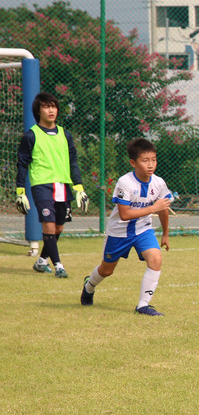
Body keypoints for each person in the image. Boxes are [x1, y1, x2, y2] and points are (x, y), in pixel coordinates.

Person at [80, 138, 172, 316]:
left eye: (154, 159)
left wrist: (166, 233)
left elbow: (163, 209)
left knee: (156, 259)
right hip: (119, 232)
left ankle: (143, 306)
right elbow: (125, 214)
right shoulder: (125, 182)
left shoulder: (159, 183)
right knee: (107, 270)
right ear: (133, 162)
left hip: (144, 229)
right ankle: (89, 285)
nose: (151, 164)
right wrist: (154, 207)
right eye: (145, 161)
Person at [15, 92, 89, 278]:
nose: (51, 110)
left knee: (58, 228)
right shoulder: (31, 136)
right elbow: (22, 164)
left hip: (63, 186)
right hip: (42, 186)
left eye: (53, 106)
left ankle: (41, 261)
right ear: (38, 110)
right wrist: (20, 192)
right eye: (46, 106)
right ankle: (59, 266)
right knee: (48, 226)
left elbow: (73, 162)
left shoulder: (65, 134)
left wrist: (79, 188)